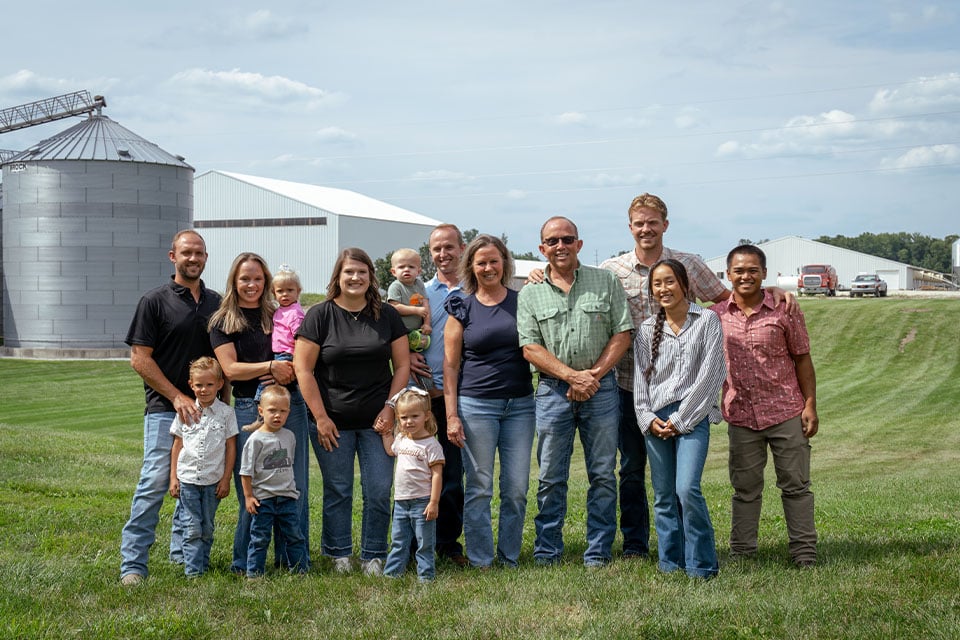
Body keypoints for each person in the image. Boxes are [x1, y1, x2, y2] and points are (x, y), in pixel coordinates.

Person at [598, 193, 794, 559]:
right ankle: (638, 546)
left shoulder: (688, 263)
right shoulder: (613, 269)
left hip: (687, 394)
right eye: (639, 223)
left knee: (684, 485)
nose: (646, 229)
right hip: (633, 387)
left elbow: (728, 298)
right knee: (631, 470)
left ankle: (695, 553)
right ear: (629, 227)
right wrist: (536, 273)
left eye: (652, 222)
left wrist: (770, 291)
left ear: (664, 225)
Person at [517, 217, 633, 567]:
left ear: (579, 244)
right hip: (552, 393)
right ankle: (547, 550)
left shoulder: (605, 280)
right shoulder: (530, 292)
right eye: (552, 241)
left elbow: (623, 333)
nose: (560, 246)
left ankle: (598, 550)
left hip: (602, 390)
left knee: (602, 473)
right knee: (552, 476)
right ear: (542, 249)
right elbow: (530, 347)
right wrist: (572, 377)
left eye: (568, 239)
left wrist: (592, 377)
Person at [295, 248, 410, 576]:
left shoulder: (386, 315)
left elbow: (401, 366)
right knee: (338, 488)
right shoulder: (320, 315)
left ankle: (374, 553)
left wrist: (391, 409)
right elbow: (303, 369)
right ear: (338, 277)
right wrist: (320, 417)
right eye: (349, 272)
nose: (356, 278)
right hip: (332, 421)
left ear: (371, 277)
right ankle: (339, 554)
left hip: (379, 422)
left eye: (362, 272)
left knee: (378, 488)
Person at [120, 229, 222, 586]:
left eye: (199, 253)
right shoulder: (155, 301)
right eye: (186, 253)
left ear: (206, 258)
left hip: (209, 412)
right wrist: (177, 396)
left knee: (197, 482)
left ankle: (182, 553)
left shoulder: (217, 303)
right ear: (172, 257)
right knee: (155, 482)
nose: (193, 259)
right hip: (165, 409)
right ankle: (133, 565)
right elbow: (139, 358)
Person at [712, 245, 819, 568]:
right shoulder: (714, 316)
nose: (746, 276)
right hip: (741, 415)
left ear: (764, 273)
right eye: (739, 271)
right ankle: (743, 552)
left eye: (753, 270)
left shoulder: (784, 310)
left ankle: (804, 554)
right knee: (744, 488)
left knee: (796, 486)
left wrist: (810, 405)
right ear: (728, 275)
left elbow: (802, 359)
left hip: (786, 411)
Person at [209, 252, 310, 575]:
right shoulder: (223, 321)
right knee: (251, 487)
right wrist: (270, 366)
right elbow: (230, 369)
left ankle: (293, 561)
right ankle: (245, 563)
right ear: (234, 282)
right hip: (247, 410)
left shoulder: (282, 312)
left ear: (266, 281)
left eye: (257, 279)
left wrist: (289, 369)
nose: (251, 285)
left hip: (289, 405)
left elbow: (301, 353)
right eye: (244, 279)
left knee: (293, 485)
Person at [443, 234, 535, 569]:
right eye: (481, 262)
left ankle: (509, 557)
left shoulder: (522, 301)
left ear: (505, 263)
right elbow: (450, 366)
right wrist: (451, 415)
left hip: (521, 406)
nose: (488, 267)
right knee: (479, 485)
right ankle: (482, 559)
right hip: (475, 406)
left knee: (516, 487)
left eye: (494, 260)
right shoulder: (460, 306)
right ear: (471, 266)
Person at [634, 259, 726, 579]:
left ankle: (701, 565)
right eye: (657, 284)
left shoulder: (707, 321)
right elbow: (640, 381)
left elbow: (711, 375)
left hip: (693, 416)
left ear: (684, 284)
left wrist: (681, 419)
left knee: (686, 489)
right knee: (662, 496)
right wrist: (647, 418)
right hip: (656, 421)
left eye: (669, 281)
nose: (664, 289)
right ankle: (670, 563)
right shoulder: (647, 330)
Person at [409, 223, 469, 567]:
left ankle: (448, 543)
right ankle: (411, 542)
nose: (443, 254)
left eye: (449, 247)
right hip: (421, 394)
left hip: (461, 395)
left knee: (452, 475)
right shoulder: (418, 291)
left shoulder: (473, 289)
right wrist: (404, 351)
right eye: (436, 249)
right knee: (415, 472)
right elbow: (397, 327)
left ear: (461, 248)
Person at [168, 356, 238, 577]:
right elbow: (177, 445)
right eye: (198, 385)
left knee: (206, 527)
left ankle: (202, 563)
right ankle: (193, 572)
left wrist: (226, 478)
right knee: (192, 526)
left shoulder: (227, 414)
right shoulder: (185, 412)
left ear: (219, 384)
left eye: (209, 385)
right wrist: (173, 478)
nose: (204, 390)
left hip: (212, 482)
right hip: (188, 480)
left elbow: (231, 447)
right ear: (191, 385)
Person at [240, 385, 308, 577]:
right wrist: (248, 496)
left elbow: (289, 464)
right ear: (261, 411)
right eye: (272, 410)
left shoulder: (290, 436)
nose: (277, 415)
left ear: (288, 412)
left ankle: (299, 570)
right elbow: (245, 471)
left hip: (287, 498)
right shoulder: (255, 440)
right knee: (260, 538)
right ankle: (254, 574)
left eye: (282, 411)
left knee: (294, 536)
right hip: (264, 500)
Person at [383, 387, 445, 582]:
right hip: (401, 502)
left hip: (422, 502)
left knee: (424, 542)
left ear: (427, 416)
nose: (408, 421)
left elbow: (437, 475)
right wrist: (386, 433)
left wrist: (434, 502)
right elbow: (391, 450)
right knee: (398, 541)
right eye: (403, 417)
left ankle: (426, 577)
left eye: (414, 416)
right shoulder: (401, 439)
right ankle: (392, 575)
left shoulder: (431, 445)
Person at [243, 264, 306, 432]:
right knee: (271, 384)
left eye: (290, 290)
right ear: (274, 293)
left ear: (298, 291)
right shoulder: (279, 311)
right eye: (280, 291)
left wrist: (295, 363)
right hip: (278, 354)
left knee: (266, 383)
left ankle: (260, 416)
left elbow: (299, 337)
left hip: (287, 354)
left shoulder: (295, 312)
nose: (285, 294)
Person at [387, 247, 433, 349]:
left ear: (419, 271)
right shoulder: (396, 286)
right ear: (394, 272)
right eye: (401, 267)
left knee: (421, 350)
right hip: (400, 332)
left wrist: (427, 324)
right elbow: (395, 307)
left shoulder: (419, 284)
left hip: (417, 331)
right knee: (403, 357)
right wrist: (415, 310)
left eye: (411, 267)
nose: (406, 269)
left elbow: (426, 305)